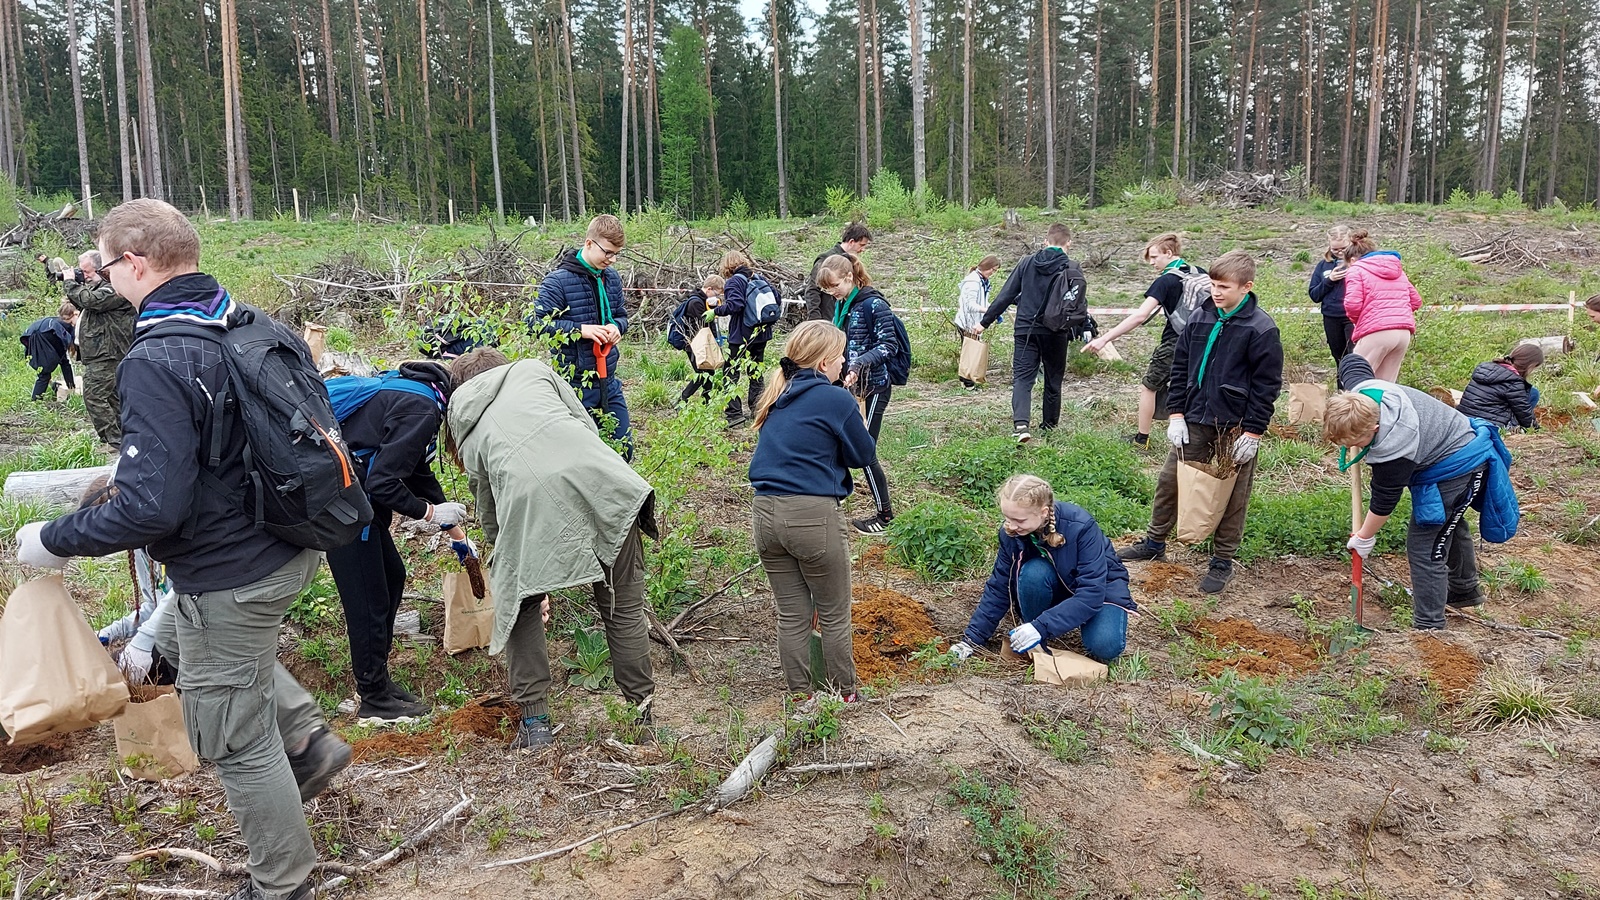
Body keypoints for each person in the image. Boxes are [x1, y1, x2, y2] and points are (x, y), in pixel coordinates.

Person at [16, 198, 351, 900]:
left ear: (135, 263)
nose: (104, 279)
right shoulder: (251, 322)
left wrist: (53, 539)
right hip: (293, 544)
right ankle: (308, 741)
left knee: (234, 737)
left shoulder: (156, 357)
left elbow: (150, 508)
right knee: (219, 659)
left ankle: (282, 883)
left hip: (230, 572)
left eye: (107, 266)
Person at [445, 348, 657, 750]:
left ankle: (535, 724)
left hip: (529, 505)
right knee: (622, 607)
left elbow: (488, 504)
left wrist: (513, 564)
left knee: (520, 607)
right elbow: (585, 426)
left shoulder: (464, 419)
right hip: (607, 484)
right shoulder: (533, 371)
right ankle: (642, 716)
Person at [1118, 251, 1284, 595]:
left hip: (1235, 425)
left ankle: (1222, 560)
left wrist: (1253, 431)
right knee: (1170, 481)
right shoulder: (1200, 316)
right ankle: (1154, 541)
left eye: (1224, 287)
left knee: (1233, 492)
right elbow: (1181, 367)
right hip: (1194, 417)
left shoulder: (1261, 328)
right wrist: (1176, 413)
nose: (1215, 292)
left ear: (1247, 287)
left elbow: (1267, 385)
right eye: (1212, 284)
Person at [1329, 353, 1519, 629]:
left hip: (1459, 464)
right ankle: (1464, 590)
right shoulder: (1362, 393)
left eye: (1356, 439)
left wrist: (1364, 537)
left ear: (1375, 427)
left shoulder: (1394, 445)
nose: (1350, 446)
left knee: (1425, 544)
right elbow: (1353, 362)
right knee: (1449, 522)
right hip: (1452, 445)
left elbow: (1384, 500)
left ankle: (1429, 626)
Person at [324, 362, 464, 724]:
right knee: (368, 600)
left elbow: (415, 469)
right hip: (342, 506)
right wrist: (429, 513)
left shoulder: (419, 393)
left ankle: (378, 681)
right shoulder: (423, 409)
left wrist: (456, 533)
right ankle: (373, 698)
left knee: (391, 577)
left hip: (353, 500)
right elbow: (383, 483)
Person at [748, 321, 877, 698]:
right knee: (834, 613)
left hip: (764, 514)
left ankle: (801, 695)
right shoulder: (835, 399)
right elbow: (864, 455)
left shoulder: (778, 394)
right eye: (840, 357)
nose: (844, 363)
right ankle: (844, 694)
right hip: (811, 515)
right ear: (823, 363)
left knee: (792, 614)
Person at [950, 475, 1137, 664]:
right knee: (1034, 572)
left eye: (1019, 520)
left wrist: (1041, 626)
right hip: (1055, 585)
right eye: (1007, 518)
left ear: (1044, 512)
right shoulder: (1011, 533)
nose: (1011, 526)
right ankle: (1033, 630)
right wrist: (970, 641)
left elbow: (1092, 592)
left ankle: (1041, 627)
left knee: (1105, 645)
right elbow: (999, 587)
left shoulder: (1080, 527)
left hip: (1100, 590)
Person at [531, 214, 632, 459]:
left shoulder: (612, 278)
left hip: (609, 380)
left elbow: (621, 315)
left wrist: (617, 327)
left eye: (616, 254)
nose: (612, 259)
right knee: (583, 455)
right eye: (607, 253)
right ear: (589, 243)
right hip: (574, 385)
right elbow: (537, 324)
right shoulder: (557, 281)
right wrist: (581, 330)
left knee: (623, 450)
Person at [1084, 232, 1198, 447]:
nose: (1152, 263)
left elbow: (1140, 316)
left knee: (1149, 386)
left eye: (1154, 257)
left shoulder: (1166, 280)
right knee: (1191, 386)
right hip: (1204, 341)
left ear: (1169, 253)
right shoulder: (1199, 273)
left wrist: (1105, 339)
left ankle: (1141, 438)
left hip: (1176, 342)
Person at [974, 223, 1085, 443]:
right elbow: (1078, 303)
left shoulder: (1026, 262)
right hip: (1056, 331)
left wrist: (984, 323)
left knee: (1023, 379)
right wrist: (1082, 329)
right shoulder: (1072, 267)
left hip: (1026, 329)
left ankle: (1021, 425)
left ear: (1046, 241)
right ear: (1069, 243)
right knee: (1053, 380)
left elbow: (1006, 295)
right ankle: (1049, 426)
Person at [815, 254, 898, 534]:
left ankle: (885, 515)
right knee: (838, 442)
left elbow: (889, 346)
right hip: (850, 386)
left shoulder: (874, 304)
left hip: (873, 387)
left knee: (865, 449)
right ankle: (832, 499)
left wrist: (860, 363)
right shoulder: (842, 305)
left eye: (834, 286)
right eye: (827, 289)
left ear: (849, 277)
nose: (832, 293)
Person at [64, 250, 137, 447]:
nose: (84, 276)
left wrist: (70, 283)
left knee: (94, 396)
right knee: (113, 399)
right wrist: (74, 284)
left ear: (102, 269)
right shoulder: (100, 287)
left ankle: (115, 442)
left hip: (108, 354)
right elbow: (85, 300)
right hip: (103, 353)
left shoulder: (115, 288)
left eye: (87, 271)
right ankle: (126, 440)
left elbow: (91, 301)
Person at [1341, 230, 1422, 383]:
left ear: (1352, 260)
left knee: (1356, 380)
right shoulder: (1398, 271)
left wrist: (1360, 321)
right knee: (1386, 385)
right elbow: (1416, 301)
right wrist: (1397, 313)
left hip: (1376, 330)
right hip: (1403, 333)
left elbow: (1352, 305)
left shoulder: (1356, 269)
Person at [717, 250, 776, 427]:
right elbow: (776, 298)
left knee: (730, 373)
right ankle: (757, 410)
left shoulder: (734, 281)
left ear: (727, 266)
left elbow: (735, 305)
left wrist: (716, 311)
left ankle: (734, 415)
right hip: (762, 333)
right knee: (755, 372)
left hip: (741, 335)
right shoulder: (759, 278)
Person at [1457, 344, 1542, 430]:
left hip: (1463, 419)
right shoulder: (1514, 382)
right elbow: (1524, 414)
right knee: (1533, 393)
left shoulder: (1485, 369)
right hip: (1489, 424)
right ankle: (1516, 428)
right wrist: (1535, 428)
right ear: (1530, 365)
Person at [671, 273, 724, 405]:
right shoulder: (696, 303)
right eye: (716, 294)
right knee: (701, 374)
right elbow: (704, 323)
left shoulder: (702, 301)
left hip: (701, 343)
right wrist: (714, 311)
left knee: (709, 372)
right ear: (709, 289)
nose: (717, 297)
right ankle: (681, 401)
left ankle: (706, 402)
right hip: (693, 344)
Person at [804, 222, 873, 322]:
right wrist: (815, 319)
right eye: (861, 245)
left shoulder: (852, 262)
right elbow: (812, 290)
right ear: (851, 242)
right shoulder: (826, 259)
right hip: (828, 319)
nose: (863, 249)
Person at [1308, 225, 1354, 363]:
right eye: (1335, 249)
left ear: (1351, 243)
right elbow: (1314, 295)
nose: (1339, 252)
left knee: (1354, 355)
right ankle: (1341, 378)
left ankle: (1356, 377)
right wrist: (1330, 280)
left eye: (1343, 248)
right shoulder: (1323, 266)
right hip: (1331, 317)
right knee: (1338, 356)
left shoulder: (1359, 263)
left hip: (1352, 317)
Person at [954, 255, 1000, 389]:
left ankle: (970, 380)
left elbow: (982, 302)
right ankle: (967, 382)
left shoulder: (982, 281)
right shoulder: (973, 282)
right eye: (992, 269)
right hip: (967, 322)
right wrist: (989, 312)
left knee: (972, 353)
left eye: (995, 270)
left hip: (975, 321)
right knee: (970, 354)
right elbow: (970, 305)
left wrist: (995, 310)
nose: (992, 273)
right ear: (986, 267)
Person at [19, 303, 78, 401]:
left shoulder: (53, 321)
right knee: (44, 375)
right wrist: (71, 387)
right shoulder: (62, 329)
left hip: (31, 341)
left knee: (44, 373)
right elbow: (64, 361)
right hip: (42, 340)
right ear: (74, 314)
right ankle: (35, 402)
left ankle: (54, 387)